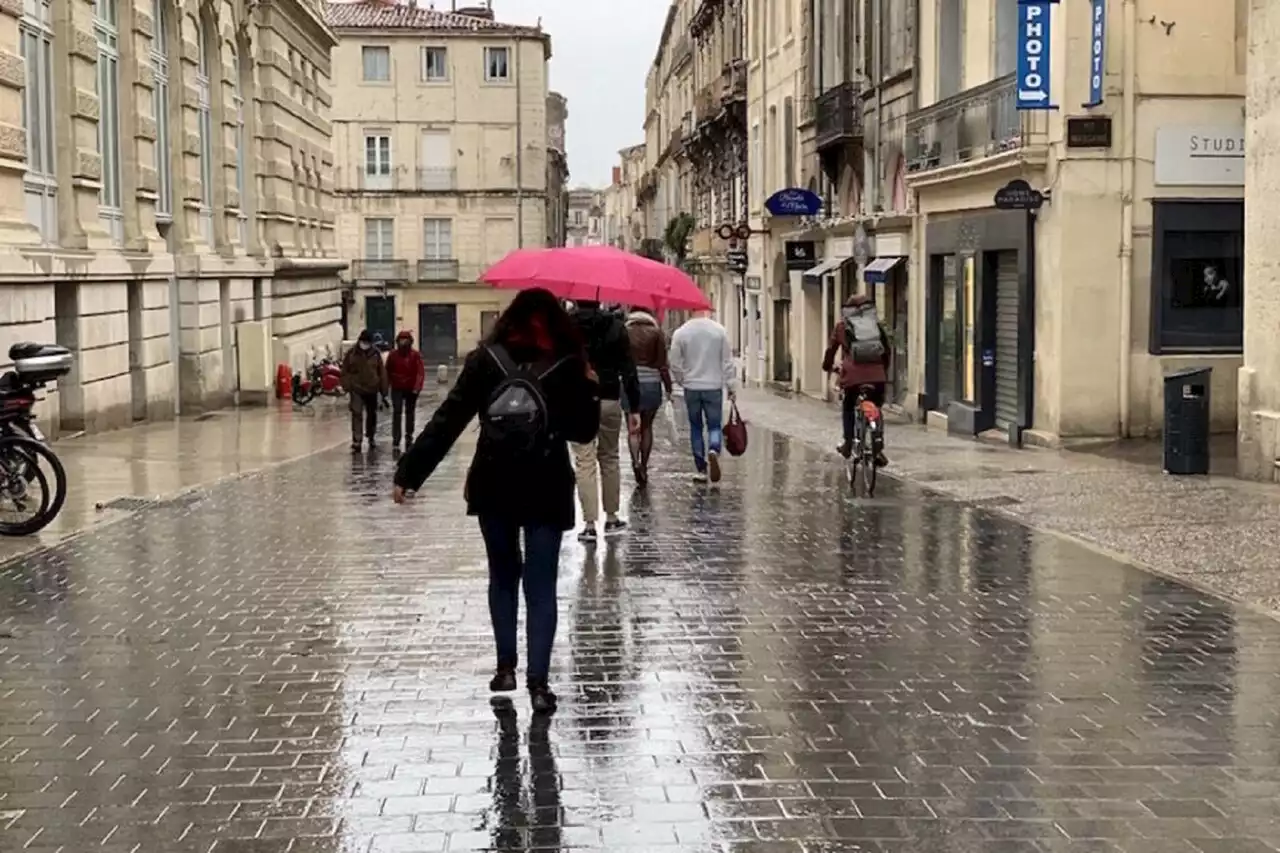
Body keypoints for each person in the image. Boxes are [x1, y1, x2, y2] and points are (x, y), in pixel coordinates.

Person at [392, 288, 600, 713]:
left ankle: (505, 666)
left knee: (502, 575)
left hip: (495, 481)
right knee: (541, 586)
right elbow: (583, 433)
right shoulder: (567, 363)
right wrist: (590, 387)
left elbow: (448, 419)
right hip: (546, 482)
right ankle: (539, 684)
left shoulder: (486, 359)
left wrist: (410, 473)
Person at [571, 300, 640, 543]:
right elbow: (629, 368)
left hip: (578, 400)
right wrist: (634, 408)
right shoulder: (615, 326)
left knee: (584, 460)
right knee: (609, 457)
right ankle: (611, 518)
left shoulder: (567, 326)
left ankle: (589, 525)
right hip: (610, 397)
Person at [822, 293, 891, 467]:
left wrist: (827, 366)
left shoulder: (841, 326)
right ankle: (878, 446)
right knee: (876, 405)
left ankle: (848, 442)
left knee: (848, 406)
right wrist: (883, 371)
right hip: (877, 377)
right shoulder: (876, 325)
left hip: (852, 378)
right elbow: (887, 350)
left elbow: (831, 350)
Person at [669, 309, 736, 483]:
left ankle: (700, 468)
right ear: (706, 311)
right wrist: (731, 386)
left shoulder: (681, 332)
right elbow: (727, 362)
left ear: (690, 311)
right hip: (713, 386)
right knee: (714, 425)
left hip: (692, 387)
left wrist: (681, 379)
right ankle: (714, 448)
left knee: (696, 426)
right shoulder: (719, 331)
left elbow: (674, 362)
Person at [623, 307, 673, 487]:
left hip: (630, 383)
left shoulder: (624, 331)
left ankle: (634, 462)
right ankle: (644, 465)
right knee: (647, 427)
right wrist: (668, 387)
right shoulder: (657, 333)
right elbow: (663, 364)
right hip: (652, 383)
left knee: (632, 427)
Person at [341, 330, 388, 452]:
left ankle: (371, 436)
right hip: (356, 388)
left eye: (367, 342)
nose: (364, 344)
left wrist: (384, 390)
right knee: (356, 414)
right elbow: (344, 371)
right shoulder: (352, 353)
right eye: (363, 341)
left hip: (372, 389)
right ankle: (357, 440)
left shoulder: (376, 354)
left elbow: (382, 372)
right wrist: (347, 385)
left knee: (372, 414)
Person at [385, 330, 426, 450]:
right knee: (397, 412)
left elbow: (420, 372)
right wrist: (386, 387)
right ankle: (396, 439)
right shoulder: (393, 355)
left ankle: (409, 436)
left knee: (410, 413)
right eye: (401, 340)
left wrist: (417, 387)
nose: (403, 342)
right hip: (397, 387)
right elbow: (387, 370)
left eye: (405, 340)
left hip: (411, 388)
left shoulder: (415, 355)